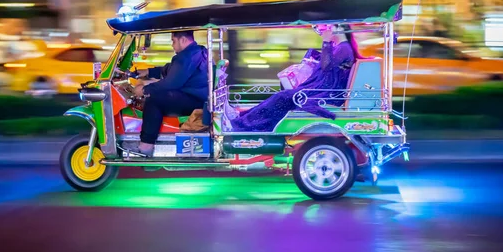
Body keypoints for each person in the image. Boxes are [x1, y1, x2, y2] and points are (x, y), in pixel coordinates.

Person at [227, 25, 363, 132]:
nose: (321, 31)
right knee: (282, 96)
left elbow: (327, 67)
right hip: (324, 90)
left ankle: (243, 123)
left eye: (325, 28)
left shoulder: (344, 48)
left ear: (337, 28)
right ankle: (243, 119)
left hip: (327, 94)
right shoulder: (340, 48)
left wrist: (326, 42)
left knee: (283, 97)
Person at [132, 30, 209, 156]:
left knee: (154, 99)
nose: (172, 45)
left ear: (183, 40)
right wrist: (148, 72)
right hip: (200, 98)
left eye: (173, 41)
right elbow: (172, 70)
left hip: (195, 100)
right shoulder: (198, 51)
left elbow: (171, 83)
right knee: (158, 94)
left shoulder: (186, 56)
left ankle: (146, 145)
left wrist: (145, 90)